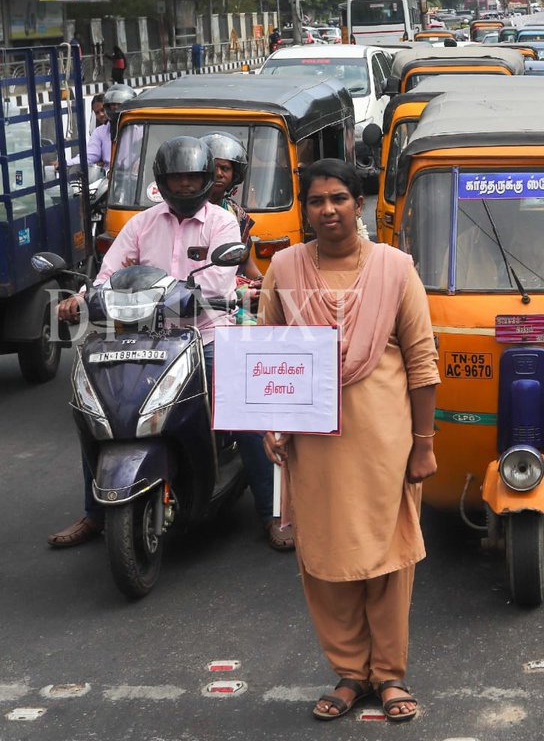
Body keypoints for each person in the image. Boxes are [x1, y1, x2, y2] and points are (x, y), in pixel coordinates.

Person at [260, 159, 439, 722]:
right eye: (316, 201)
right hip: (314, 444)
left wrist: (424, 442)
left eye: (339, 198)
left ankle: (389, 676)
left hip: (385, 443)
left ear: (358, 204)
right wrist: (270, 423)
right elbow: (266, 354)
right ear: (305, 209)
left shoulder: (395, 268)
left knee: (388, 560)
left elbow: (422, 361)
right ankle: (348, 674)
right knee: (325, 558)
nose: (328, 210)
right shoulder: (285, 269)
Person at [47, 136, 289, 551]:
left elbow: (214, 284)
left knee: (246, 418)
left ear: (207, 179)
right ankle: (94, 513)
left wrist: (189, 296)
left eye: (192, 179)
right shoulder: (142, 224)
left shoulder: (221, 223)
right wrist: (82, 298)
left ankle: (272, 514)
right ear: (163, 181)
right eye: (176, 180)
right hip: (141, 335)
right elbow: (107, 275)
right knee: (97, 414)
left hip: (208, 334)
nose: (184, 187)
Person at [201, 132, 262, 279]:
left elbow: (244, 258)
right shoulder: (186, 209)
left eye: (225, 168)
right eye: (214, 167)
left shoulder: (236, 213)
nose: (219, 174)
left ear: (234, 174)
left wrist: (263, 284)